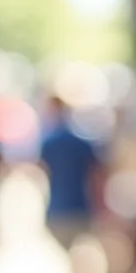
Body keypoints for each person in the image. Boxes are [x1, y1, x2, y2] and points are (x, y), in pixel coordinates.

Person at [38, 97, 103, 249]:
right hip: (80, 208)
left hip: (58, 209)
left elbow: (43, 172)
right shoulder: (82, 142)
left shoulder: (48, 143)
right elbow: (97, 174)